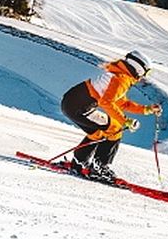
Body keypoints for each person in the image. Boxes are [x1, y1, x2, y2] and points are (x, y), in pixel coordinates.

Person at [59, 50, 162, 183]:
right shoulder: (121, 79)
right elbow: (106, 102)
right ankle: (99, 168)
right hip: (79, 107)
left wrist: (147, 109)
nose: (144, 77)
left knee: (97, 132)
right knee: (115, 129)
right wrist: (125, 121)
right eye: (146, 73)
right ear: (139, 69)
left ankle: (79, 162)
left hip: (72, 103)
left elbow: (121, 103)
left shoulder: (119, 76)